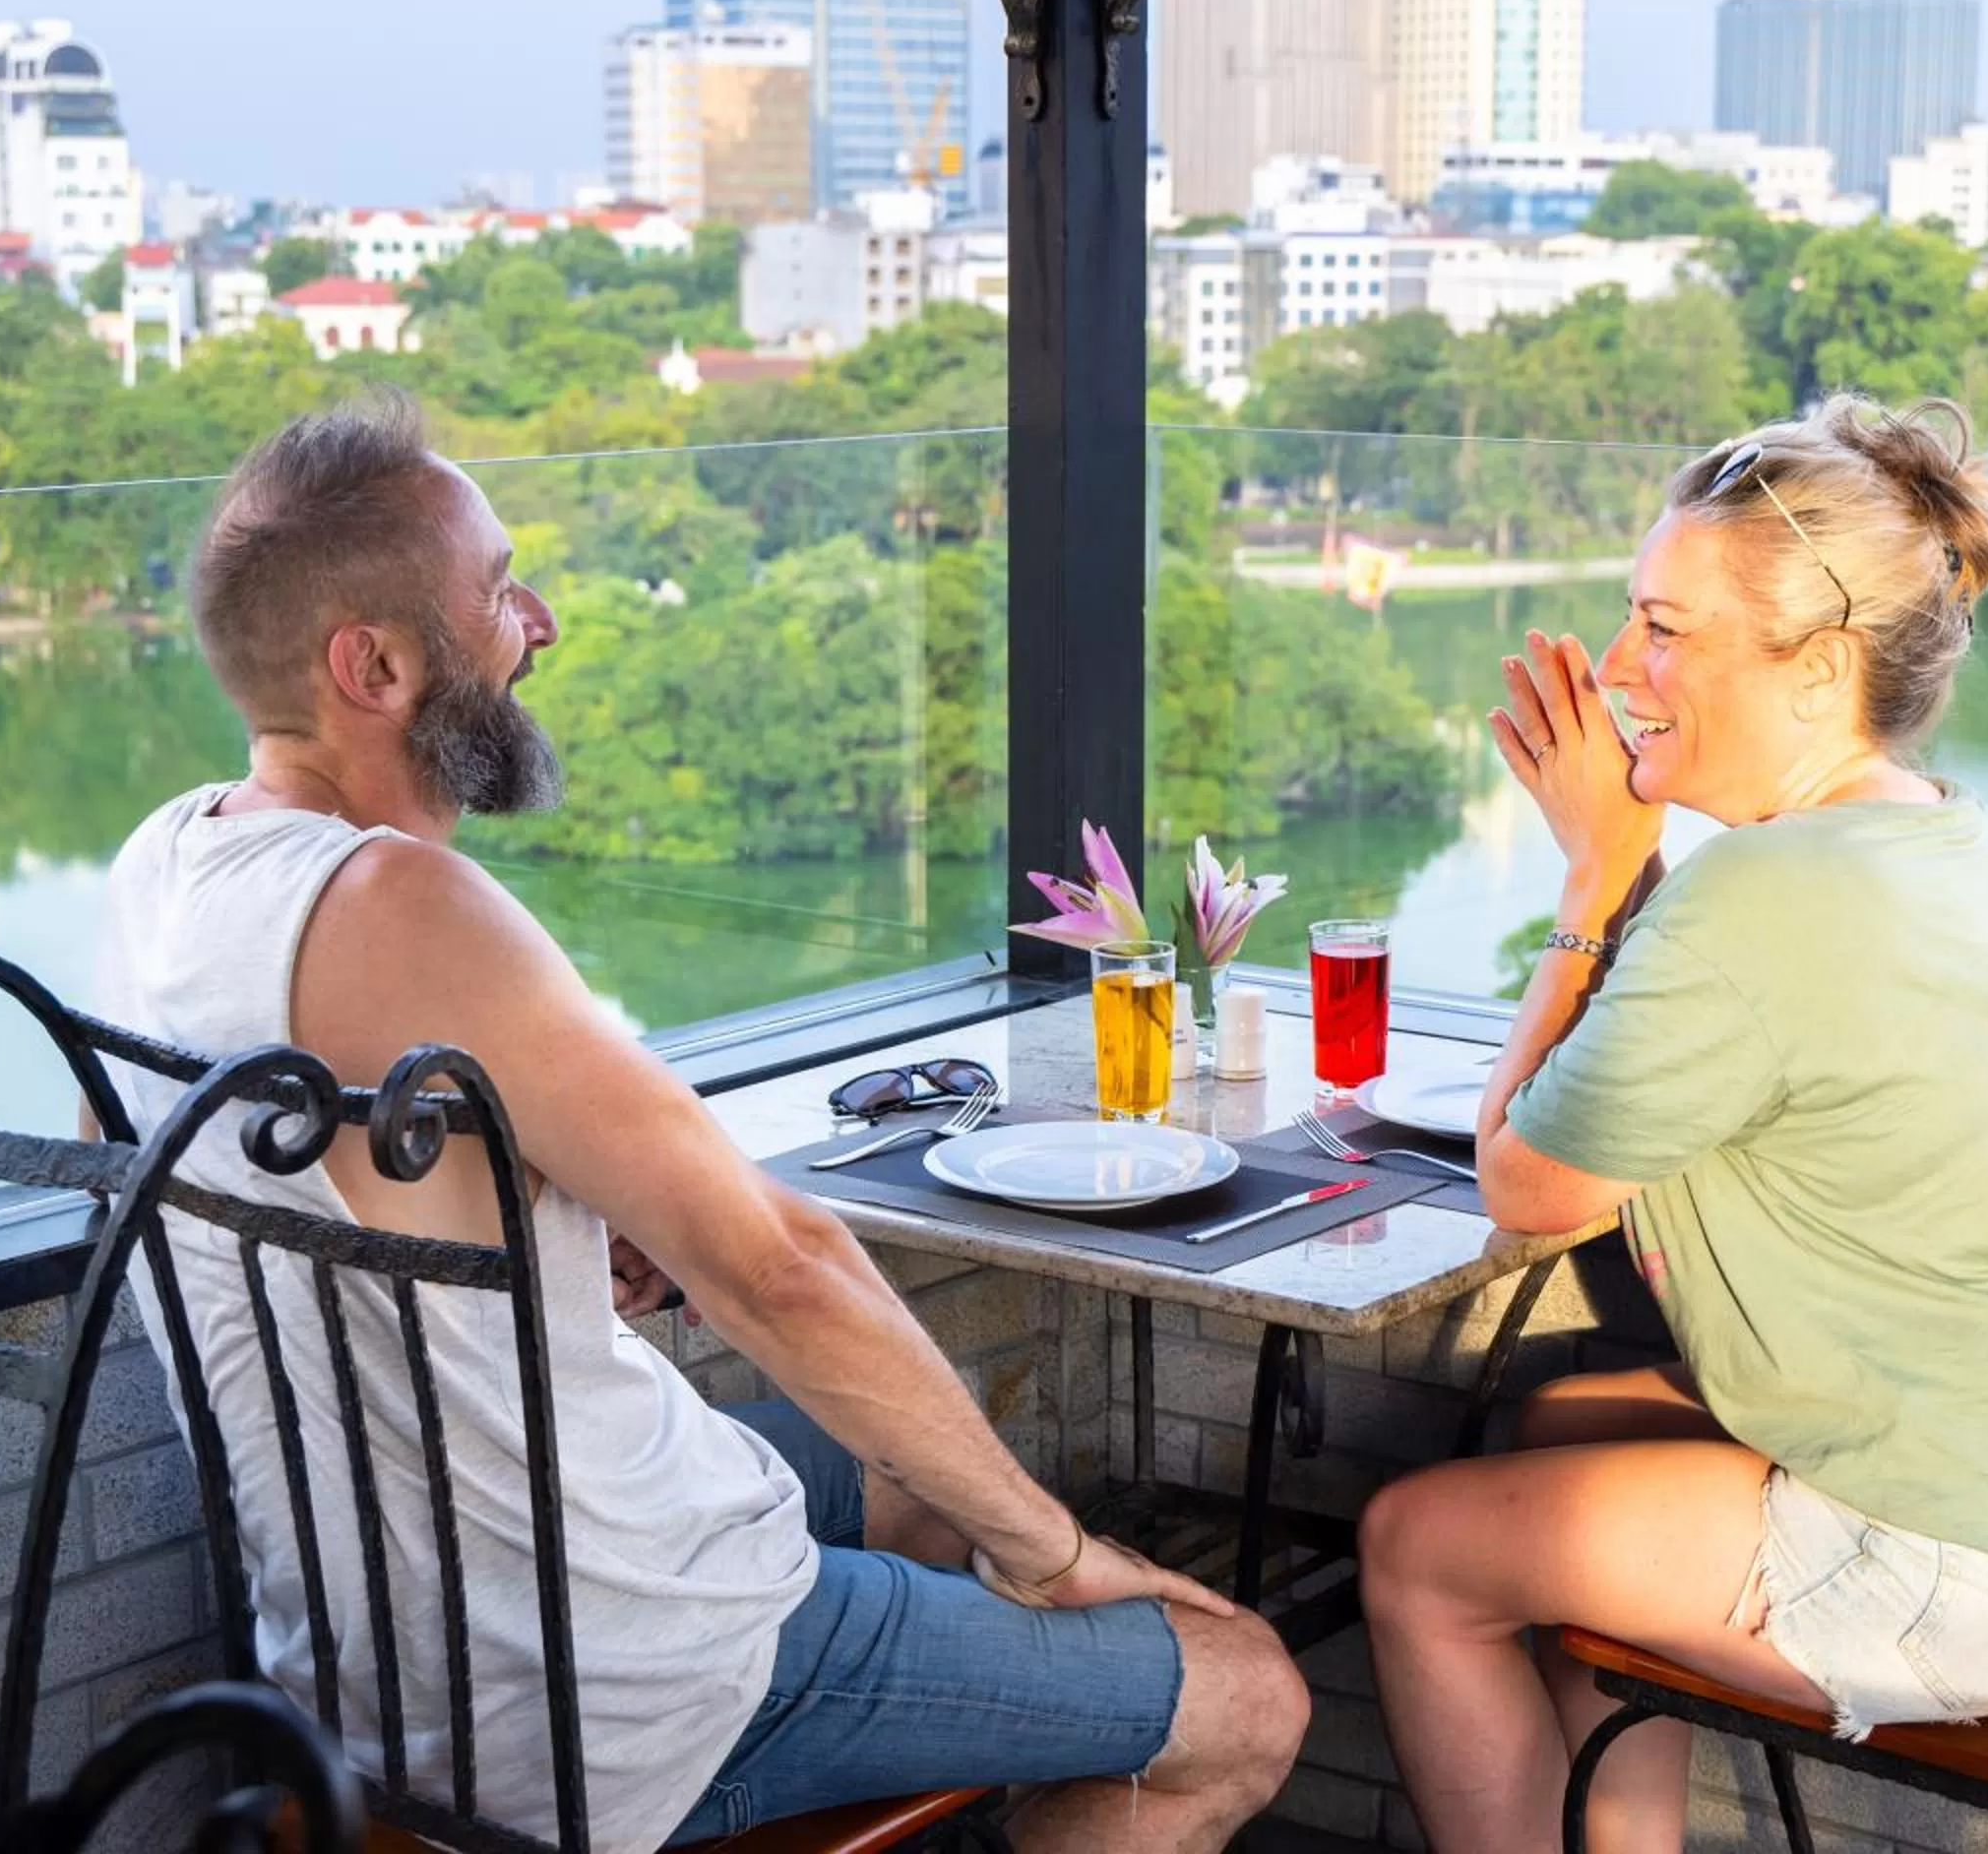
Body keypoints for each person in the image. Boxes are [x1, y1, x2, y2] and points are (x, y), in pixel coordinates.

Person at [92, 391, 1308, 1853]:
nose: (535, 620)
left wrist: (541, 1224)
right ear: (378, 664)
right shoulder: (400, 901)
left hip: (357, 1659)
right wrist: (1057, 1558)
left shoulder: (167, 867)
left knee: (924, 1481)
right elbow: (778, 1264)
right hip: (593, 1685)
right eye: (497, 589)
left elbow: (358, 1192)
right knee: (1246, 1694)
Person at [1355, 396, 1988, 1854]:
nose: (1617, 671)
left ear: (1817, 671)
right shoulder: (1951, 832)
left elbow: (1525, 1185)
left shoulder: (1759, 892)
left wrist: (1598, 876)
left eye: (1665, 631)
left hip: (1963, 1565)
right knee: (1552, 1425)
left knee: (1415, 1550)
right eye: (1629, 619)